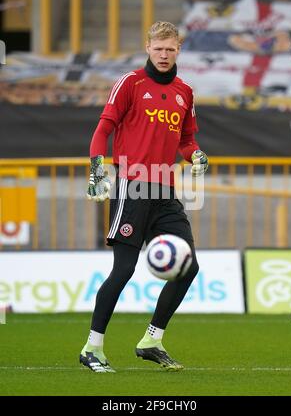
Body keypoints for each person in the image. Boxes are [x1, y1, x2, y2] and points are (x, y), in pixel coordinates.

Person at [80, 21, 208, 373]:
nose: (164, 55)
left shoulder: (186, 92)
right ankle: (92, 348)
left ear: (179, 48)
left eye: (170, 49)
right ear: (148, 48)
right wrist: (96, 172)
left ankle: (152, 340)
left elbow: (186, 141)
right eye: (158, 49)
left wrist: (196, 154)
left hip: (166, 191)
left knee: (189, 266)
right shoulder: (131, 83)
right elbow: (103, 129)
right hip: (132, 187)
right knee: (124, 269)